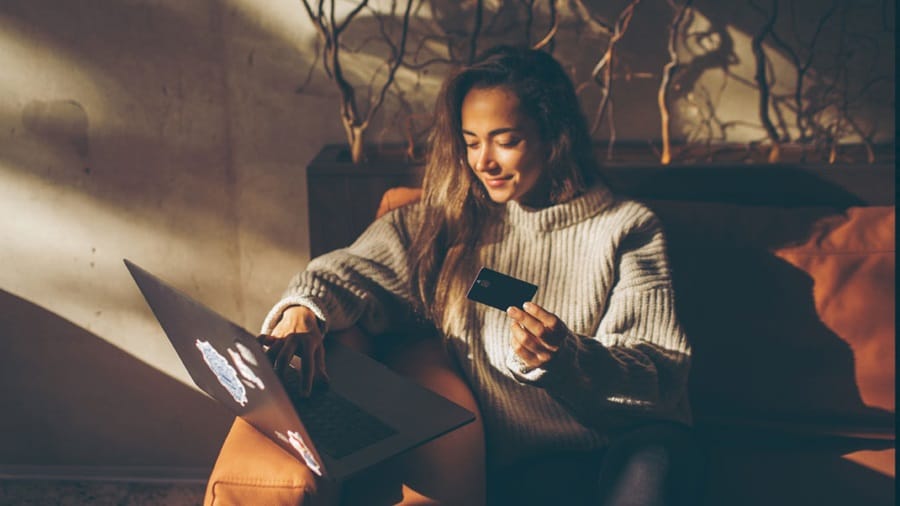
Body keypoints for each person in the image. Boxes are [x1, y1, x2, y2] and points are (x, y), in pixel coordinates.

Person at [258, 45, 705, 505]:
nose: (483, 162)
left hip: (633, 445)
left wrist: (566, 359)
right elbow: (352, 269)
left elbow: (659, 377)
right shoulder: (454, 224)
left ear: (554, 136)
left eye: (505, 141)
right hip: (535, 462)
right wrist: (303, 310)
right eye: (472, 142)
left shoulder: (626, 227)